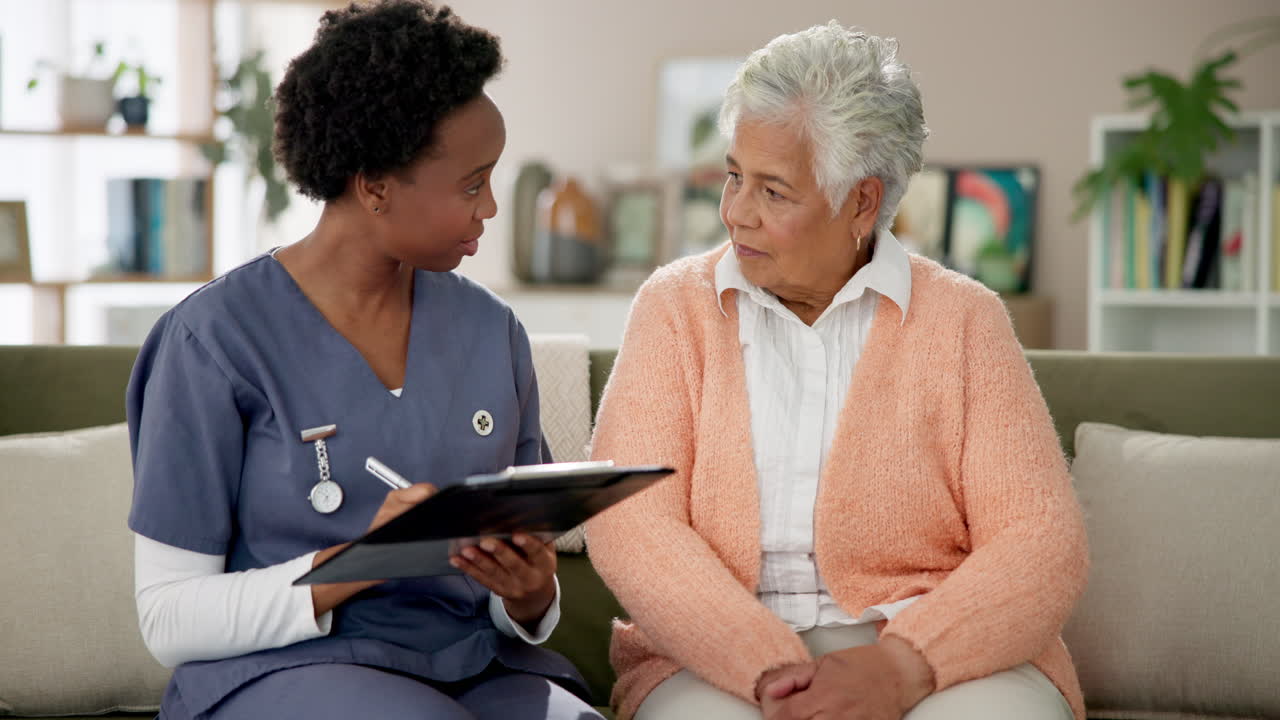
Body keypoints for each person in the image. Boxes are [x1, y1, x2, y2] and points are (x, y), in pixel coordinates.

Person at [586, 22, 1088, 720]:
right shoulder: (675, 308)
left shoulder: (965, 320)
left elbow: (1040, 541)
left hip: (935, 652)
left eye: (774, 192)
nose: (735, 215)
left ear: (862, 202)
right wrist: (768, 666)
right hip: (714, 657)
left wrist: (902, 666)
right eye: (734, 177)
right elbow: (630, 522)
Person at [126, 2, 602, 718]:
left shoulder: (491, 331)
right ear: (375, 184)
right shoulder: (215, 340)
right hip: (285, 670)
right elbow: (168, 619)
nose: (492, 208)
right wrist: (360, 563)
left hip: (479, 665)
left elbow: (523, 582)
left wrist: (531, 596)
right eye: (472, 185)